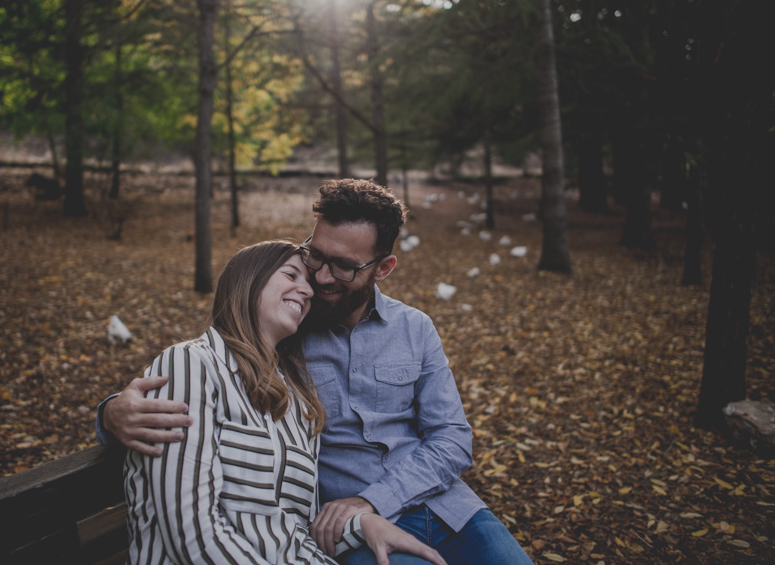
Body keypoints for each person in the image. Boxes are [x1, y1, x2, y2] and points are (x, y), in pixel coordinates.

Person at [101, 180, 534, 565]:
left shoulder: (414, 328)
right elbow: (216, 357)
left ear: (382, 269)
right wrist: (111, 415)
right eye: (315, 256)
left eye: (343, 266)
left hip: (443, 506)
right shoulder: (288, 327)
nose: (320, 278)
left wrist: (369, 502)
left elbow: (452, 438)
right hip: (346, 536)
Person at [122, 239, 446, 565]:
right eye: (292, 275)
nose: (306, 291)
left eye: (307, 283)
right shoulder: (192, 364)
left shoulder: (295, 399)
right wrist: (108, 414)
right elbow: (189, 533)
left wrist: (363, 524)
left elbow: (294, 531)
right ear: (249, 279)